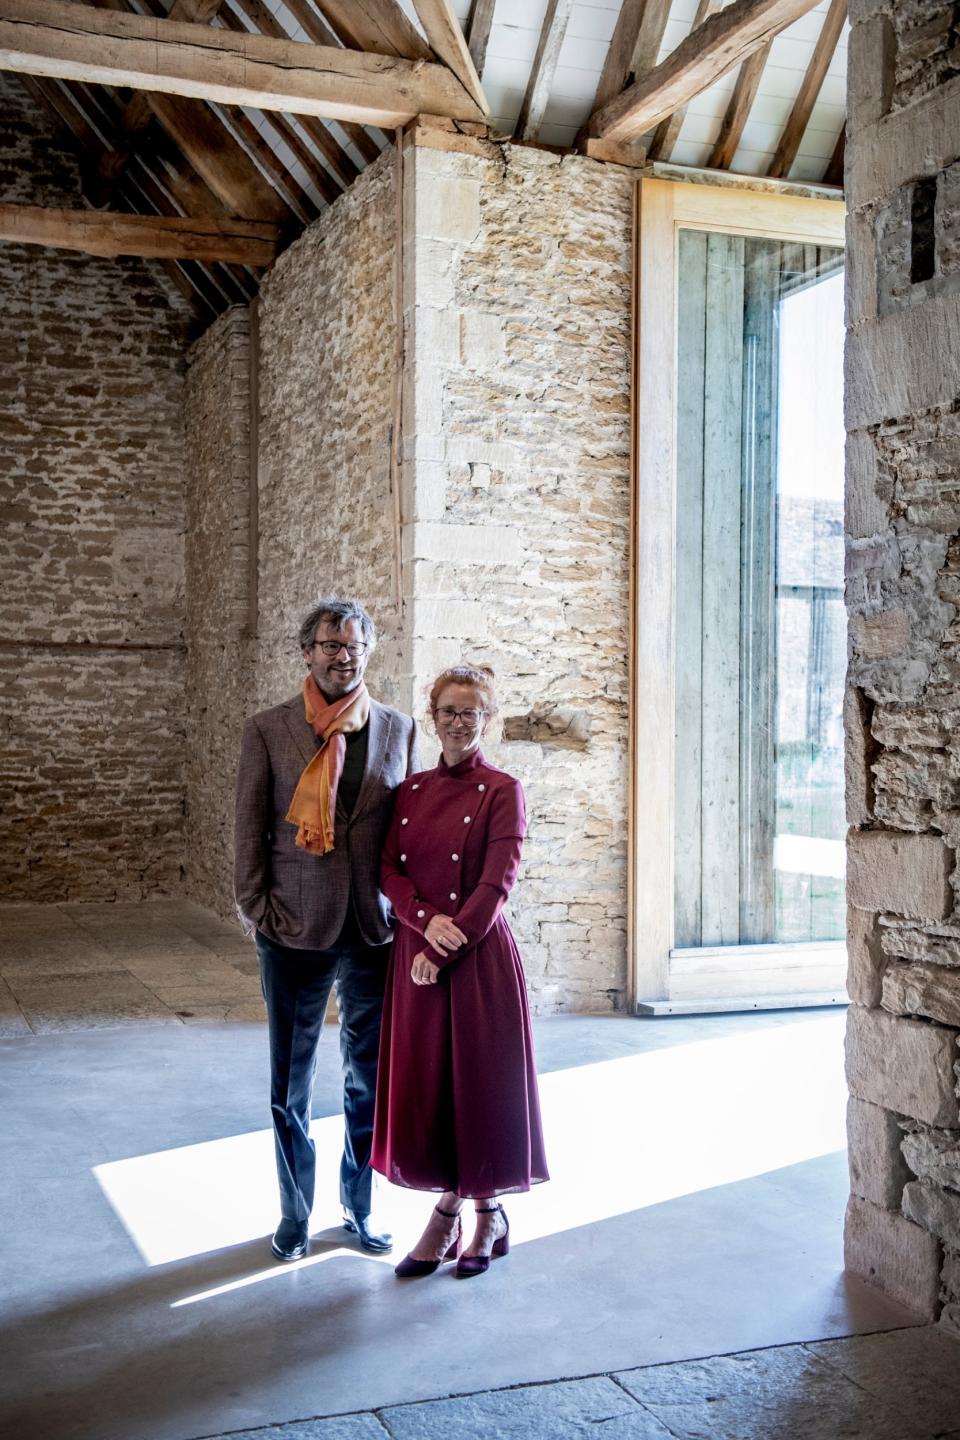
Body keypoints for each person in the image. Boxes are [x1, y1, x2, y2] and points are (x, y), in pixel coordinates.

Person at [234, 597, 419, 1262]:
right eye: (329, 645)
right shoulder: (269, 729)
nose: (343, 656)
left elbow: (407, 835)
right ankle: (294, 1216)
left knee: (367, 1080)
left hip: (372, 930)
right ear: (307, 652)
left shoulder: (399, 729)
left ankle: (360, 1209)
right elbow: (249, 829)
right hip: (293, 929)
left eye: (354, 645)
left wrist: (410, 912)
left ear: (368, 652)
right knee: (290, 1085)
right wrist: (258, 911)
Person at [371, 664, 549, 1278]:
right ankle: (464, 1213)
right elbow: (388, 869)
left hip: (474, 959)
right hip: (418, 954)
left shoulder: (503, 790)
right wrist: (422, 919)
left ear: (487, 718)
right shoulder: (411, 792)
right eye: (448, 710)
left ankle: (475, 1212)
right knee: (435, 1087)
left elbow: (497, 883)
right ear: (433, 713)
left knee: (479, 1087)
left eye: (471, 711)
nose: (458, 721)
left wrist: (444, 945)